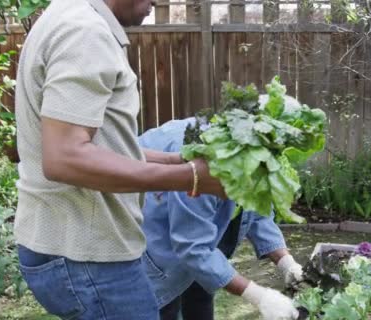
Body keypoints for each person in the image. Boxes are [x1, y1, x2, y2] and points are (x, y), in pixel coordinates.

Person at [13, 0, 225, 319]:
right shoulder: (84, 32)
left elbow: (98, 144)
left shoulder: (69, 15)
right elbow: (65, 158)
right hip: (88, 259)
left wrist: (175, 161)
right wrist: (191, 178)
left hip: (67, 250)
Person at [138, 97, 305, 320]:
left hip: (195, 242)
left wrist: (287, 263)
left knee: (201, 296)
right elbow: (193, 247)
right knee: (164, 304)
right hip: (153, 238)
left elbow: (257, 213)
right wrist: (259, 296)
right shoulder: (204, 160)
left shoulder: (255, 154)